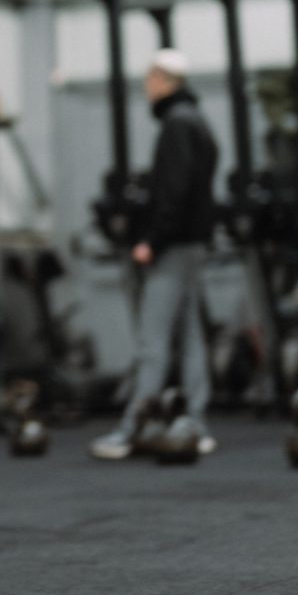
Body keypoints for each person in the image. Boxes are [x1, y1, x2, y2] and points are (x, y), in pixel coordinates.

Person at [91, 48, 220, 460]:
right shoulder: (196, 120)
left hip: (175, 245)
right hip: (192, 243)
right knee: (191, 335)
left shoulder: (178, 125)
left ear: (163, 81)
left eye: (150, 80)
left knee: (153, 339)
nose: (147, 88)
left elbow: (174, 193)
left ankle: (134, 427)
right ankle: (195, 423)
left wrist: (153, 240)